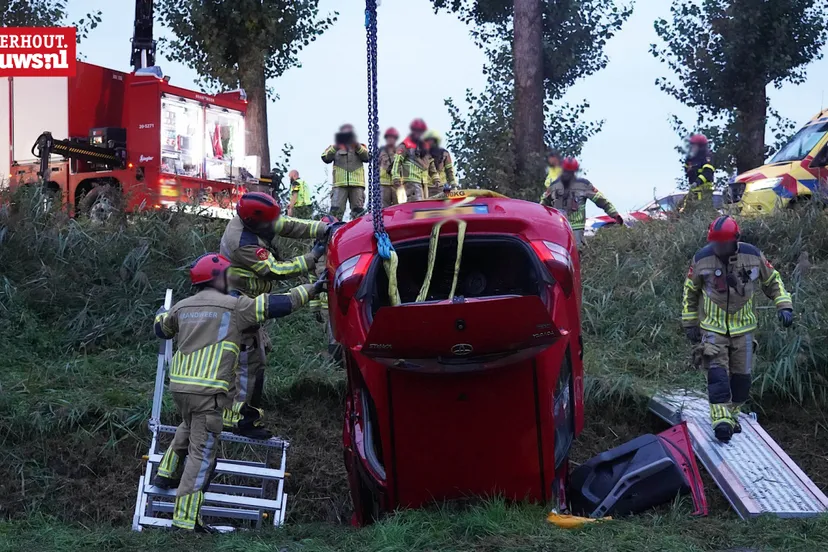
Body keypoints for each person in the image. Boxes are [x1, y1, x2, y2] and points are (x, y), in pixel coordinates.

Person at [152, 253, 324, 532]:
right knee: (202, 455)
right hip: (209, 393)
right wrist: (311, 289)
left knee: (189, 424)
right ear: (219, 279)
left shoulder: (182, 307)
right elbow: (278, 304)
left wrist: (161, 313)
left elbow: (161, 329)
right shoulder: (235, 307)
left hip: (181, 390)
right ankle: (184, 521)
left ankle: (165, 473)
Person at [219, 192, 331, 436]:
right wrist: (312, 258)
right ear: (254, 222)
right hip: (239, 303)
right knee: (248, 364)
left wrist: (321, 228)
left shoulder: (257, 219)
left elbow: (287, 225)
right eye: (270, 223)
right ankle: (240, 420)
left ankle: (238, 412)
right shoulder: (243, 243)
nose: (274, 226)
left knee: (250, 361)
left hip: (246, 300)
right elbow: (276, 270)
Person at [681, 216, 793, 443]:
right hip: (713, 329)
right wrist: (690, 322)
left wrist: (784, 305)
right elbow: (690, 291)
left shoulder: (752, 255)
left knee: (742, 380)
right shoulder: (702, 259)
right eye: (715, 243)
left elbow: (772, 280)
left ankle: (731, 417)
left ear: (736, 240)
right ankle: (721, 421)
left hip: (744, 329)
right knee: (717, 376)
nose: (718, 248)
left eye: (723, 243)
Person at [540, 158, 622, 247]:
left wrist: (614, 214)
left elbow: (542, 205)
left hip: (565, 229)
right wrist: (614, 214)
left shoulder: (555, 185)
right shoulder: (581, 184)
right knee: (573, 253)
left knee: (564, 254)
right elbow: (601, 200)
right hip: (567, 229)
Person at [321, 124, 369, 220]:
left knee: (358, 213)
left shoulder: (361, 146)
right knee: (335, 212)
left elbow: (368, 157)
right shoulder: (334, 147)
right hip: (339, 185)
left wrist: (357, 146)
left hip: (357, 185)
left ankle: (358, 233)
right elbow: (325, 157)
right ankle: (334, 232)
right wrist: (336, 146)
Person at [392, 118, 440, 201]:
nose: (419, 133)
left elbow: (431, 165)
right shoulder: (405, 145)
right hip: (411, 181)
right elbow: (397, 162)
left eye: (421, 131)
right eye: (417, 131)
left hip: (424, 183)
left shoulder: (425, 147)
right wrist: (396, 177)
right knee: (417, 204)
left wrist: (436, 179)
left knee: (424, 206)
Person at [682, 134, 716, 211]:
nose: (692, 148)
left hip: (704, 192)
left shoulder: (707, 157)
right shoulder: (691, 159)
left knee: (703, 213)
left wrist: (697, 182)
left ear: (700, 147)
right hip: (694, 192)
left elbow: (708, 173)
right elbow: (687, 170)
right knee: (687, 212)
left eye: (694, 146)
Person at [423, 129, 456, 197]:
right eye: (427, 140)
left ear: (436, 141)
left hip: (442, 187)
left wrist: (453, 185)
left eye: (431, 140)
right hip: (427, 188)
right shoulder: (423, 155)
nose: (429, 142)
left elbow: (450, 171)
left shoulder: (445, 154)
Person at [379, 127, 400, 208]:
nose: (390, 139)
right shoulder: (381, 151)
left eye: (393, 137)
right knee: (384, 208)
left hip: (397, 184)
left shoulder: (399, 151)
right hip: (384, 184)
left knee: (398, 207)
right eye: (389, 137)